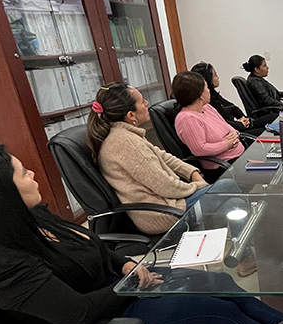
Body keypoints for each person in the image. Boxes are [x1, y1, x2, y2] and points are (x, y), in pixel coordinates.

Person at [0, 140, 283, 324]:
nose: (32, 174)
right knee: (219, 310)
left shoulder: (31, 219)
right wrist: (131, 283)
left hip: (116, 293)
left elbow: (94, 246)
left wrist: (124, 266)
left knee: (222, 283)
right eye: (22, 173)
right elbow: (77, 314)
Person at [87, 83, 210, 235]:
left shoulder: (124, 135)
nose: (147, 103)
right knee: (226, 187)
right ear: (131, 115)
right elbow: (165, 185)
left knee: (227, 197)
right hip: (164, 215)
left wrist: (191, 172)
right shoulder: (126, 143)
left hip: (167, 203)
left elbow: (163, 156)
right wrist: (198, 186)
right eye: (142, 101)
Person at [172, 71, 246, 173]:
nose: (209, 90)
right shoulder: (187, 119)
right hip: (223, 166)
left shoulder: (207, 107)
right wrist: (227, 144)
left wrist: (235, 133)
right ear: (200, 95)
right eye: (207, 88)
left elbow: (225, 125)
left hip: (240, 155)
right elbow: (200, 149)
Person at [190, 61, 266, 137]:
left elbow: (232, 107)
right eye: (215, 75)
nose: (218, 77)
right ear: (207, 80)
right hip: (233, 132)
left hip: (239, 126)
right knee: (264, 132)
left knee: (270, 120)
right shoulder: (206, 103)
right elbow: (221, 123)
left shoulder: (214, 95)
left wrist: (244, 118)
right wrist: (240, 124)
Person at [242, 55, 283, 121]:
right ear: (256, 69)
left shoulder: (257, 79)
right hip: (270, 113)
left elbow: (268, 94)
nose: (267, 68)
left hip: (273, 109)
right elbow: (267, 100)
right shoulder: (255, 82)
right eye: (264, 66)